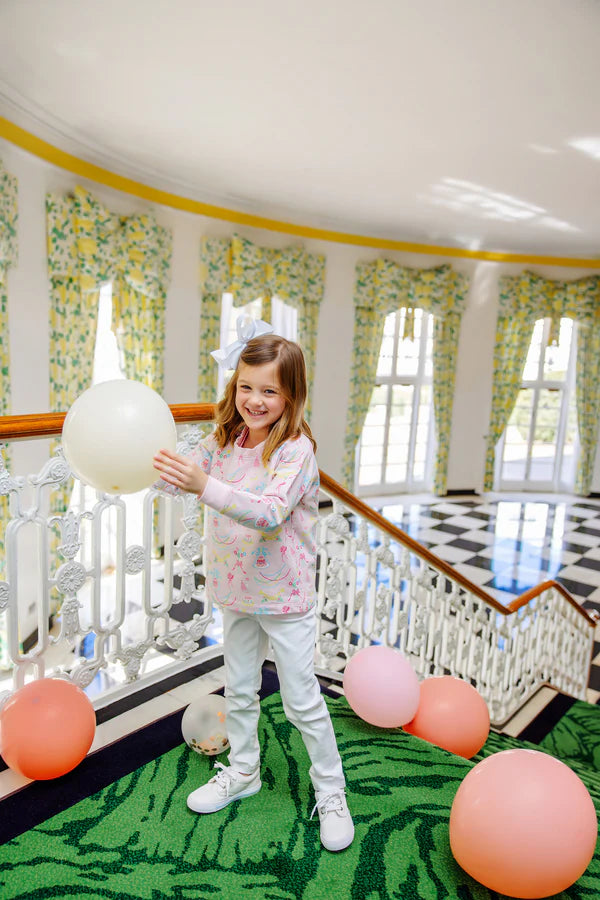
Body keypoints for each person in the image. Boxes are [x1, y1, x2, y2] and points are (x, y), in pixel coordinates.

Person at [153, 319, 354, 853]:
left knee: (301, 701)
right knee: (240, 690)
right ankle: (243, 772)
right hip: (236, 591)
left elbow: (268, 513)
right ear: (233, 385)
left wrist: (203, 485)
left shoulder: (296, 451)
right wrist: (154, 462)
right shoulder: (223, 440)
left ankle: (331, 789)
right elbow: (176, 479)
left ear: (291, 395)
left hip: (285, 598)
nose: (254, 400)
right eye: (246, 387)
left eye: (269, 391)